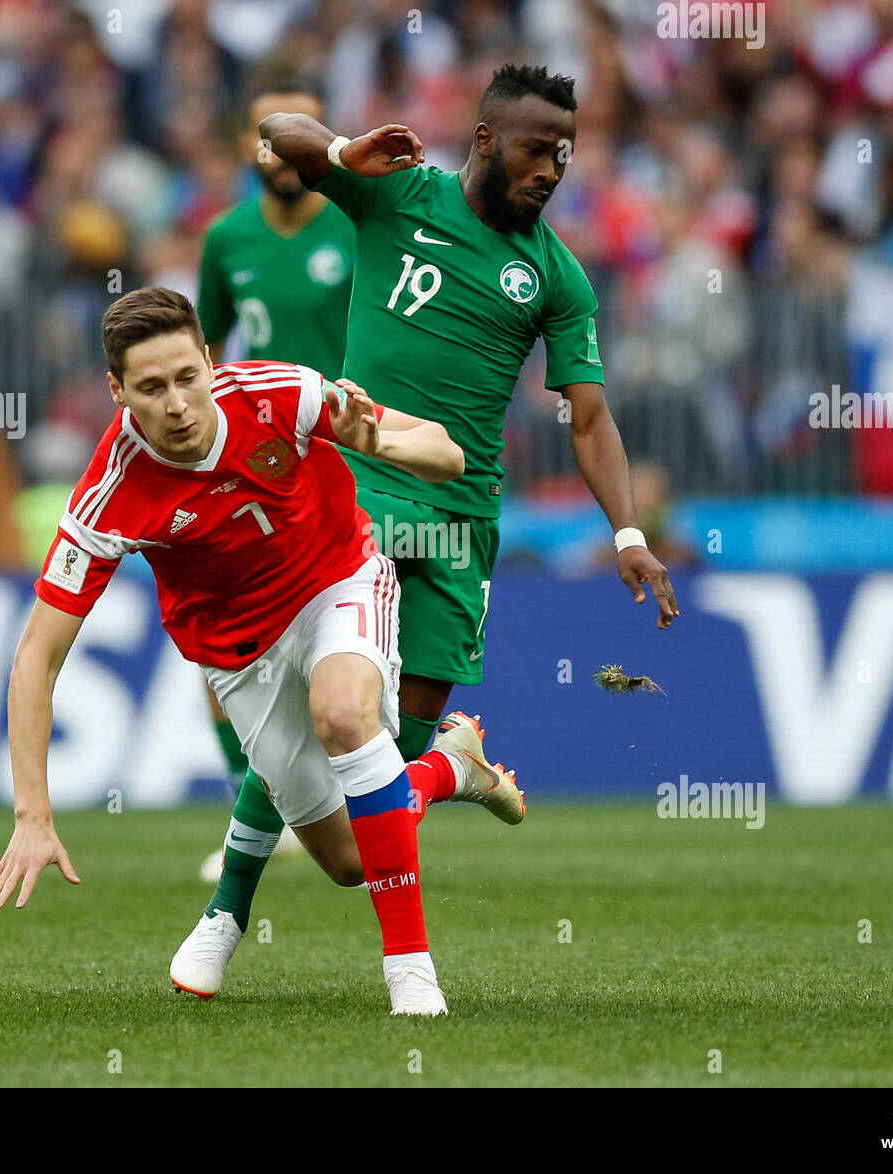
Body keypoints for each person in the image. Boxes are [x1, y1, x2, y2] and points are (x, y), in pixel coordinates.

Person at [192, 64, 680, 985]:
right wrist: (342, 150)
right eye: (537, 149)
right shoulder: (395, 193)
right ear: (488, 140)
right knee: (317, 721)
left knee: (379, 795)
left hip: (460, 526)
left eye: (565, 154)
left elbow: (588, 417)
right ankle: (227, 914)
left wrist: (625, 533)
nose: (552, 169)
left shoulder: (556, 275)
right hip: (358, 494)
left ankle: (450, 763)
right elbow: (279, 134)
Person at [0, 286, 522, 1015]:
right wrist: (32, 815)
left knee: (340, 714)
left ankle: (411, 973)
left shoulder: (281, 393)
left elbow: (447, 452)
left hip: (339, 581)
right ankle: (449, 767)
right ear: (116, 392)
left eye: (186, 377)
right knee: (350, 860)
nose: (176, 403)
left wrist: (375, 439)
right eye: (149, 388)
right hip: (239, 655)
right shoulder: (109, 493)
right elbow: (36, 659)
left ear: (209, 361)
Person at [195, 85, 354, 866]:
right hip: (248, 471)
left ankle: (344, 797)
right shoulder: (226, 238)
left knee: (339, 651)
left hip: (343, 466)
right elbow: (200, 351)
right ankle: (248, 815)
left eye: (302, 134)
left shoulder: (357, 231)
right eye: (270, 135)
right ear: (250, 148)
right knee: (218, 647)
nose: (287, 152)